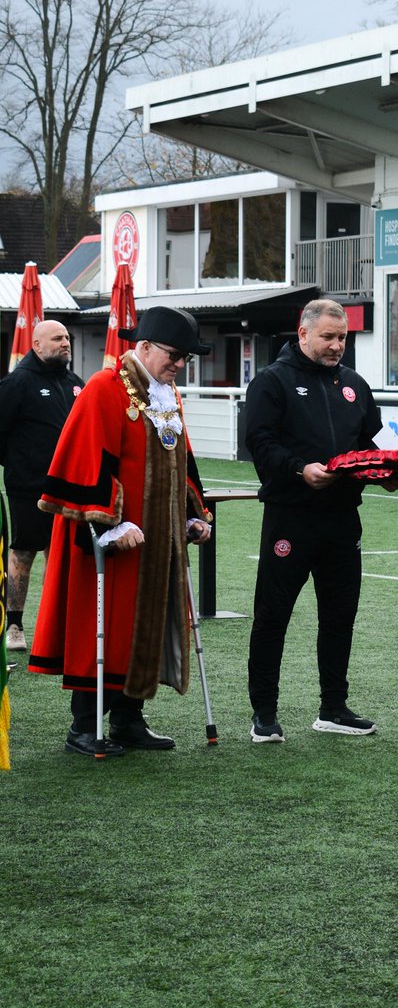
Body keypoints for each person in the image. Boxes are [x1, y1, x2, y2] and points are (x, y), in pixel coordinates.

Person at [28, 307, 212, 757]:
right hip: (111, 539)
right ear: (144, 347)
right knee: (105, 626)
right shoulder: (104, 388)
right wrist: (111, 521)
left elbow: (180, 458)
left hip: (160, 540)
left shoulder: (168, 396)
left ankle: (130, 719)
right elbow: (87, 458)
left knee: (145, 627)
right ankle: (84, 728)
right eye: (174, 355)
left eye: (186, 357)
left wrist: (193, 512)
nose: (180, 365)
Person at [246, 298, 392, 742]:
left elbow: (373, 441)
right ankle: (264, 714)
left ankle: (333, 708)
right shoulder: (272, 382)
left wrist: (389, 470)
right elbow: (259, 441)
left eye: (342, 338)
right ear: (303, 333)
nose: (336, 346)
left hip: (343, 520)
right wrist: (298, 469)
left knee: (339, 615)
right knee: (273, 616)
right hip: (291, 518)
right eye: (328, 337)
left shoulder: (355, 385)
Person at [0, 321, 83, 653]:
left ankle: (57, 624)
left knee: (62, 554)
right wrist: (24, 466)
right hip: (29, 488)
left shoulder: (77, 384)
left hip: (72, 488)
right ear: (36, 345)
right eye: (57, 338)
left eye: (67, 338)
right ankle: (15, 626)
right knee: (24, 553)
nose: (65, 343)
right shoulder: (17, 383)